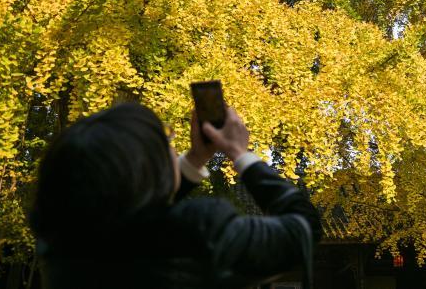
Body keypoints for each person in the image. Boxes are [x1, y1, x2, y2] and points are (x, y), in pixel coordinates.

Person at [30, 102, 321, 289]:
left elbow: (135, 210)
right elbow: (303, 230)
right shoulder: (202, 229)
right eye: (167, 140)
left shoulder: (58, 239)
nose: (173, 147)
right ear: (149, 165)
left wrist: (195, 159)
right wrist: (239, 153)